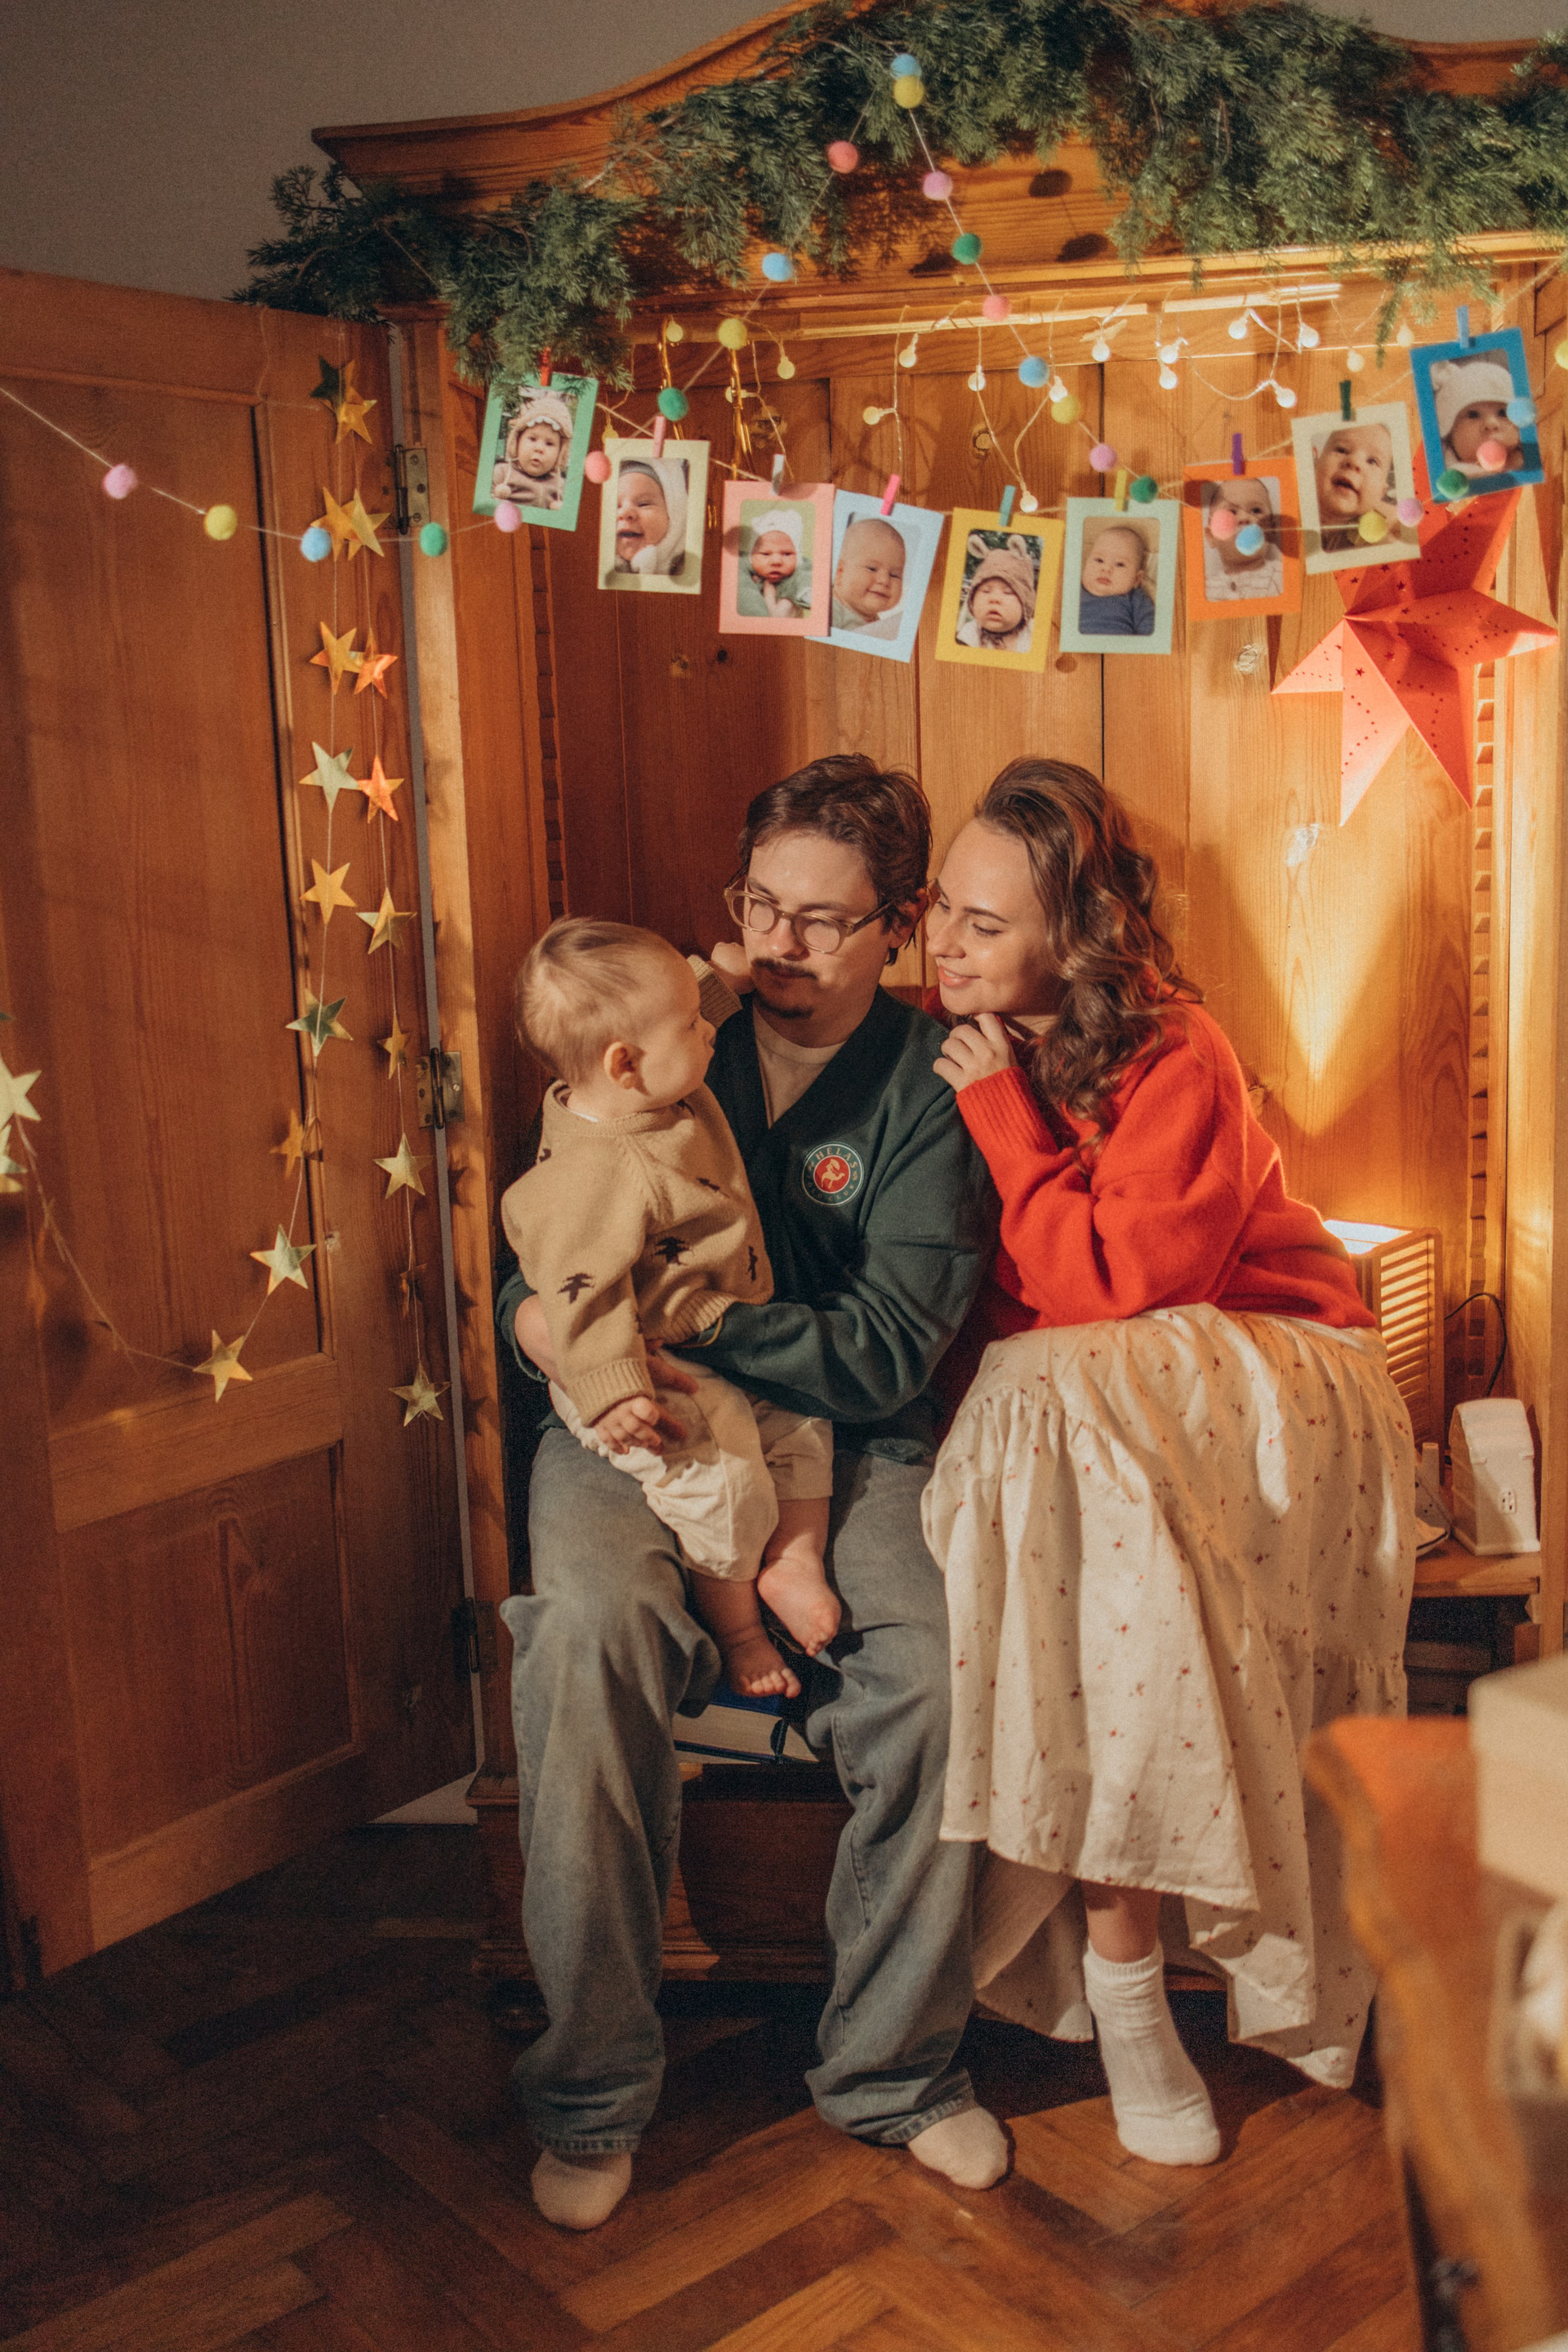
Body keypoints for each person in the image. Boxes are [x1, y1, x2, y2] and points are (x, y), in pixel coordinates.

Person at [497, 755, 1002, 2231]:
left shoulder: (929, 1087)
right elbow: (552, 1242)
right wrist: (539, 1334)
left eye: (823, 921)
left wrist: (705, 1331)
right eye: (759, 905)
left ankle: (895, 2073)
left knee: (937, 1677)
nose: (777, 944)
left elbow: (890, 1348)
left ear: (900, 923)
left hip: (845, 1435)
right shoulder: (659, 1016)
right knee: (583, 1636)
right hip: (633, 1424)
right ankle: (592, 2092)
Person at [920, 758, 1415, 2167]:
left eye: (982, 924)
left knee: (1073, 1427)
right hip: (1097, 1411)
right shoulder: (954, 1035)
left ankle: (1129, 1991)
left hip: (1259, 1363)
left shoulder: (1171, 1049)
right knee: (1082, 1516)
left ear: (1072, 936)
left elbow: (1116, 1285)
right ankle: (1119, 1974)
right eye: (939, 908)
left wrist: (1006, 1119)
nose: (943, 944)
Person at [502, 918, 838, 1696]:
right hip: (639, 1363)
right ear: (624, 1064)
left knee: (803, 1423)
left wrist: (722, 981)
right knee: (725, 1480)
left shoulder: (636, 1085)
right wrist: (612, 1387)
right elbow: (577, 1293)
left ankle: (793, 1561)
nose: (709, 1030)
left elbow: (666, 1010)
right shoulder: (599, 1172)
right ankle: (741, 1632)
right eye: (694, 1024)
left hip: (702, 1327)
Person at [1432, 354, 1526, 479]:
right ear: (1450, 432)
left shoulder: (1529, 461)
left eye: (1502, 413)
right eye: (1473, 415)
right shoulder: (1447, 475)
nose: (1491, 424)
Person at [1311, 420, 1396, 550]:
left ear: (1381, 493)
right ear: (1316, 464)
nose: (1354, 461)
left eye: (1372, 462)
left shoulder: (1382, 540)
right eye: (1341, 450)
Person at [1200, 477, 1285, 601]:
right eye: (1231, 512)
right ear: (1212, 536)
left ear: (1272, 531)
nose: (1244, 518)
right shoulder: (1206, 590)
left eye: (1256, 510)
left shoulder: (1281, 575)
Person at [492, 388, 574, 510]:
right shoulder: (501, 473)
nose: (539, 449)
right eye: (532, 439)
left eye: (549, 444)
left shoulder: (560, 487)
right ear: (517, 441)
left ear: (560, 453)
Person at [955, 534, 1037, 653]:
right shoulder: (969, 635)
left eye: (1008, 593)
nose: (994, 599)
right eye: (986, 591)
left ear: (1026, 603)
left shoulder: (1035, 634)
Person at [612, 455, 689, 577]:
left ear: (673, 515)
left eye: (643, 504)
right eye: (617, 506)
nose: (625, 513)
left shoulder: (688, 569)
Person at [831, 514, 907, 638]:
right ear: (840, 572)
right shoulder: (830, 612)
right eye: (872, 569)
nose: (884, 580)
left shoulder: (878, 623)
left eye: (894, 575)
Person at [1076, 520, 1156, 636]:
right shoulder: (1072, 591)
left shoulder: (1136, 600)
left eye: (1120, 564)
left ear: (1136, 579)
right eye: (1099, 560)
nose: (1106, 569)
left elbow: (1151, 632)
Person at [736, 506, 811, 618]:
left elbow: (807, 574)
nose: (776, 561)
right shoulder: (742, 570)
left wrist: (808, 593)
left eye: (787, 554)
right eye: (765, 554)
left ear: (798, 557)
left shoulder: (795, 576)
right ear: (751, 557)